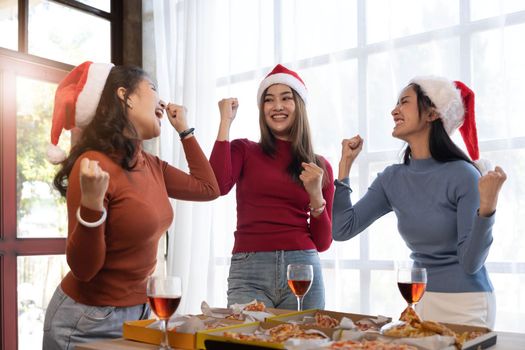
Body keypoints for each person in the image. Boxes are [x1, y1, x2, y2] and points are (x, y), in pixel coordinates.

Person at [42, 61, 220, 349]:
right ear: (124, 95)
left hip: (140, 316)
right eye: (153, 89)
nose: (162, 102)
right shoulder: (92, 165)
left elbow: (209, 189)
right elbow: (84, 270)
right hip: (87, 321)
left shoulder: (150, 165)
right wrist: (91, 206)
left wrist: (185, 130)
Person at [332, 76, 507, 328]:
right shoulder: (391, 179)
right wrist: (345, 166)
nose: (394, 110)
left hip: (467, 303)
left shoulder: (463, 174)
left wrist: (487, 209)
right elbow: (342, 229)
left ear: (432, 113)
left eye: (404, 102)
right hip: (421, 301)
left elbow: (470, 262)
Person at [209, 64, 334, 310]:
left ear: (299, 105)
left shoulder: (320, 167)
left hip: (302, 269)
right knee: (244, 340)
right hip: (249, 270)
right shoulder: (244, 150)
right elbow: (217, 185)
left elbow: (322, 243)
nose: (277, 106)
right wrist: (225, 122)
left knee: (305, 344)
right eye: (269, 100)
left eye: (286, 98)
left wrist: (316, 196)